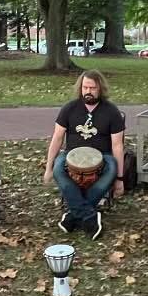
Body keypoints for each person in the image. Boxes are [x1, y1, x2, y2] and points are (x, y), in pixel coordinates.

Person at [43, 69, 125, 240]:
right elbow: (57, 138)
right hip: (71, 154)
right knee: (59, 169)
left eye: (92, 88)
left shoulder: (111, 111)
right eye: (85, 87)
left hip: (103, 156)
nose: (88, 91)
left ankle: (73, 215)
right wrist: (48, 167)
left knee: (110, 169)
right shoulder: (69, 108)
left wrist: (119, 179)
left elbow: (117, 146)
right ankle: (89, 217)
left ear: (100, 89)